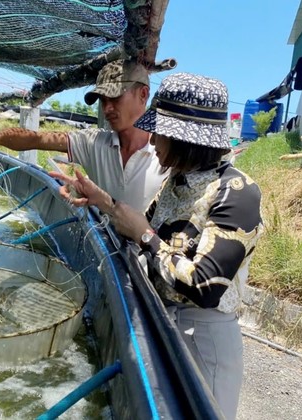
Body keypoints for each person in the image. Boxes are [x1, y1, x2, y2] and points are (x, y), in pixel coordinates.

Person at [51, 73, 263, 420]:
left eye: (160, 133)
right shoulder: (177, 182)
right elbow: (140, 222)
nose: (153, 142)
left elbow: (204, 286)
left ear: (184, 138)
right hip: (165, 319)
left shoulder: (237, 192)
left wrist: (145, 237)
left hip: (203, 335)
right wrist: (100, 200)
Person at [0, 59, 167, 212]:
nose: (107, 108)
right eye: (102, 100)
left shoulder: (169, 155)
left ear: (143, 94)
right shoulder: (93, 143)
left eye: (115, 97)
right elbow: (38, 139)